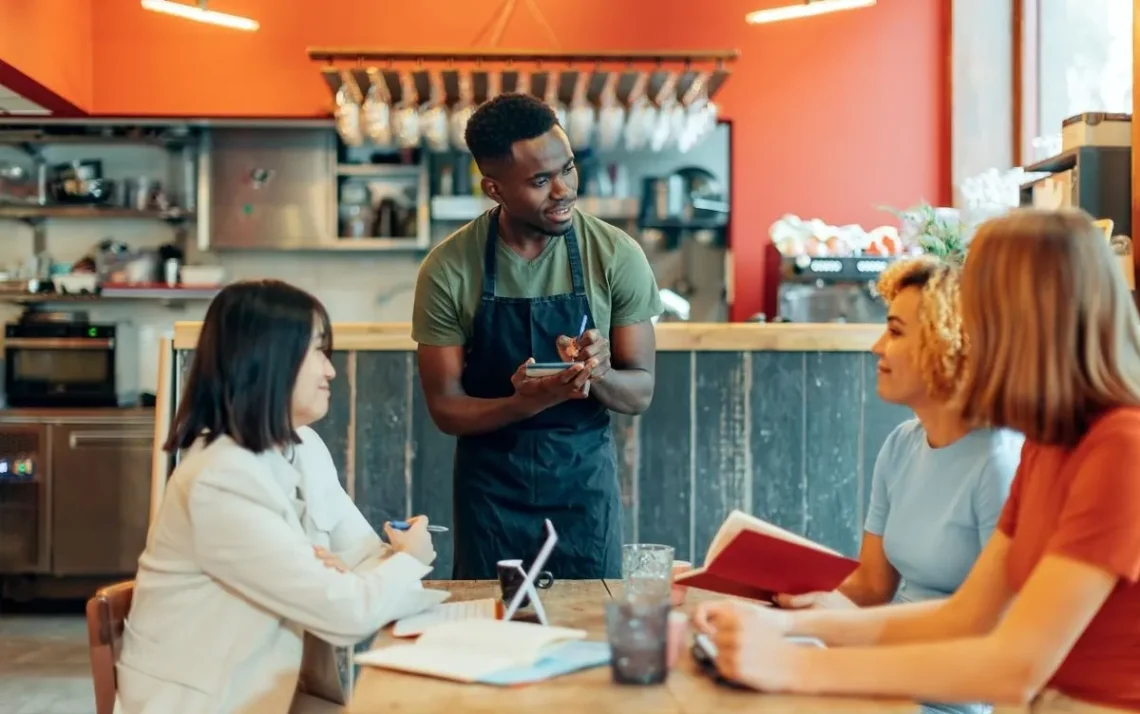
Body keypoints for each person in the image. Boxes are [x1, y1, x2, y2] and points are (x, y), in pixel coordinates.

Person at [693, 208, 1140, 713]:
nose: (968, 337)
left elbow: (1013, 667)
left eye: (983, 312)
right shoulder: (1047, 443)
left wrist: (792, 665)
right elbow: (962, 617)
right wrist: (786, 625)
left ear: (1030, 322)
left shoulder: (1121, 446)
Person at [115, 280, 439, 714]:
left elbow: (361, 556)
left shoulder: (300, 445)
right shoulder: (219, 479)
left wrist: (351, 569)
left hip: (276, 693)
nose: (331, 371)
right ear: (269, 360)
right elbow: (348, 614)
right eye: (319, 353)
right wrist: (410, 558)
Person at [411, 92, 664, 580]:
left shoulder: (615, 255)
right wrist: (525, 402)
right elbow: (445, 408)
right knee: (489, 635)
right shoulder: (448, 269)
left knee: (588, 638)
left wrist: (601, 373)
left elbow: (640, 393)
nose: (564, 190)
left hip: (583, 491)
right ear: (494, 188)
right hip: (490, 495)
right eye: (540, 180)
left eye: (567, 169)